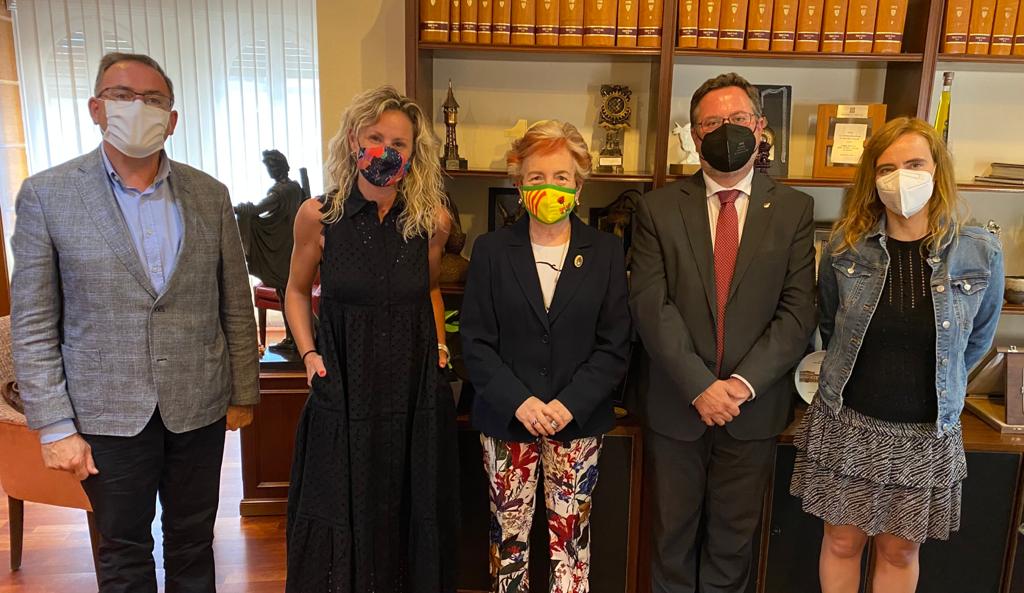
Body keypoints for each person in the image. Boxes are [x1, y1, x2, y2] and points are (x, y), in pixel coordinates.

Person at [10, 52, 259, 593]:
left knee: (194, 543)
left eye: (153, 99)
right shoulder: (48, 196)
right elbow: (32, 324)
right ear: (97, 108)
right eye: (122, 96)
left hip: (198, 405)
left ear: (172, 119)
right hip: (106, 412)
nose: (137, 107)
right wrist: (55, 426)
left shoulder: (210, 194)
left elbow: (235, 303)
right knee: (123, 550)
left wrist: (243, 392)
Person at [790, 117, 1004, 593]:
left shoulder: (979, 252)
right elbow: (831, 326)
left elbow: (976, 340)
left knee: (900, 551)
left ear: (938, 170)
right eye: (887, 168)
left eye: (914, 164)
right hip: (849, 423)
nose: (900, 178)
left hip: (925, 432)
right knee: (841, 542)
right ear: (872, 178)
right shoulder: (845, 247)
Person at [629, 72, 817, 593]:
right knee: (670, 542)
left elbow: (798, 312)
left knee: (732, 546)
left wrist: (739, 386)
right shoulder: (656, 208)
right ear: (694, 136)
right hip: (677, 405)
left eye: (737, 119)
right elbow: (650, 305)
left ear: (760, 127)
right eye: (712, 123)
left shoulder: (796, 210)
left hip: (751, 409)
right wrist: (700, 386)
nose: (725, 130)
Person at [283, 85, 457, 593]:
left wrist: (440, 348)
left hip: (412, 387)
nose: (386, 150)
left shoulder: (432, 222)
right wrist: (308, 353)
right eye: (375, 137)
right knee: (341, 500)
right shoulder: (319, 216)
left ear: (413, 154)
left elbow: (429, 290)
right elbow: (296, 291)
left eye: (398, 144)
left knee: (410, 501)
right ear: (354, 140)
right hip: (344, 382)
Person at [461, 120, 631, 593]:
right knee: (508, 539)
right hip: (507, 421)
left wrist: (567, 404)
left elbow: (615, 344)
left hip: (578, 422)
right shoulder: (491, 251)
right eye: (536, 177)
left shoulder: (606, 251)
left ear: (579, 186)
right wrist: (521, 402)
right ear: (519, 185)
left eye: (561, 177)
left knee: (571, 540)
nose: (549, 187)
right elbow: (475, 342)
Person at [234, 149, 307, 350]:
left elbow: (257, 209)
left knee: (287, 294)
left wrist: (236, 208)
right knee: (287, 293)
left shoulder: (280, 192)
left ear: (280, 167)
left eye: (271, 167)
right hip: (293, 244)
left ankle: (296, 338)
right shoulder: (295, 187)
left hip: (282, 248)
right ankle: (294, 338)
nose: (270, 170)